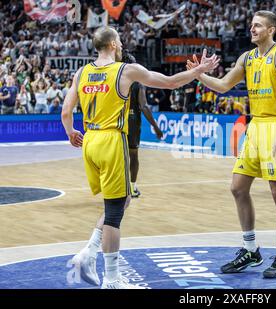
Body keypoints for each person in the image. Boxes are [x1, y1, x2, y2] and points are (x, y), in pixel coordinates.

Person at [61, 26, 219, 289]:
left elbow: (67, 111)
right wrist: (198, 71)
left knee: (120, 202)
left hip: (89, 140)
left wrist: (71, 133)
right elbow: (169, 82)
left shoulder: (82, 72)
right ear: (112, 44)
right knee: (115, 211)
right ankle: (111, 279)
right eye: (120, 41)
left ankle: (88, 253)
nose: (122, 45)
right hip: (112, 139)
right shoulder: (125, 70)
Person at [187, 11, 276, 278]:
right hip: (256, 125)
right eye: (251, 25)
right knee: (238, 187)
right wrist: (199, 74)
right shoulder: (247, 58)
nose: (252, 29)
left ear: (271, 29)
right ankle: (251, 250)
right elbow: (224, 85)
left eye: (258, 25)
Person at [120, 51, 164, 198]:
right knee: (133, 155)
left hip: (117, 121)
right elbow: (144, 106)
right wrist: (156, 127)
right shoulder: (137, 83)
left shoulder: (115, 80)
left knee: (118, 156)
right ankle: (132, 188)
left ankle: (118, 188)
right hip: (132, 121)